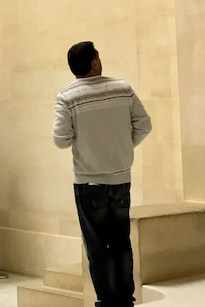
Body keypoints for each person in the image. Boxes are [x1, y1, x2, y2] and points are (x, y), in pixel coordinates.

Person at [52, 41, 152, 307]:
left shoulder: (67, 97)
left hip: (88, 181)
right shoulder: (122, 88)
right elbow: (144, 125)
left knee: (97, 246)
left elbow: (60, 140)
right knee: (122, 241)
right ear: (94, 63)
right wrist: (122, 146)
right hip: (121, 179)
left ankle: (106, 302)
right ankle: (125, 300)